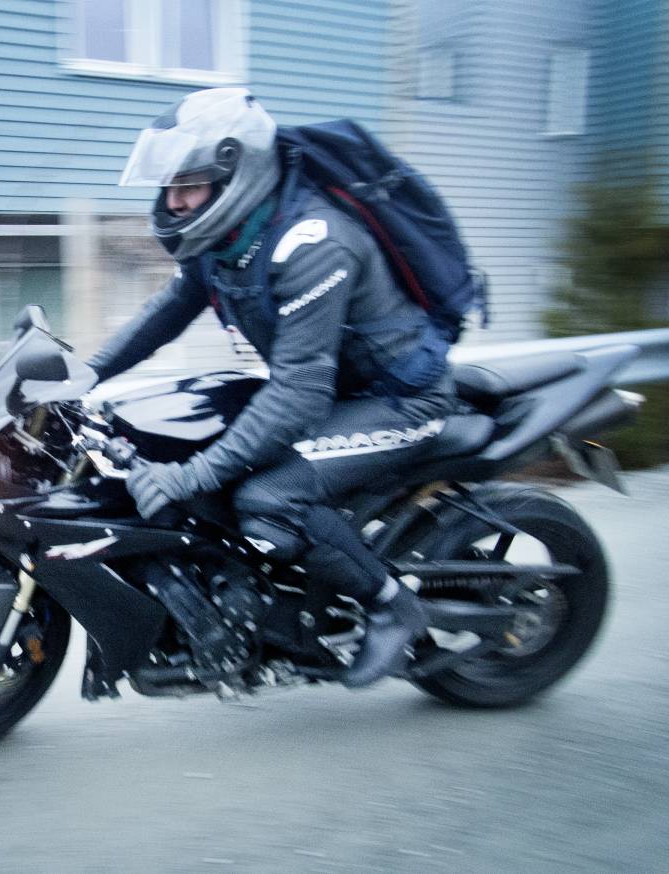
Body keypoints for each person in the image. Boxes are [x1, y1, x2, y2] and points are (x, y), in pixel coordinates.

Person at [87, 88, 457, 687]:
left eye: (190, 186)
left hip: (398, 402)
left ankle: (392, 603)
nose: (174, 202)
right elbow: (171, 309)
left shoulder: (314, 245)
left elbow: (298, 394)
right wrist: (86, 373)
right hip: (330, 391)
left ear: (238, 175)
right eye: (170, 187)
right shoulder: (226, 238)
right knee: (182, 438)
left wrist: (190, 476)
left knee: (268, 497)